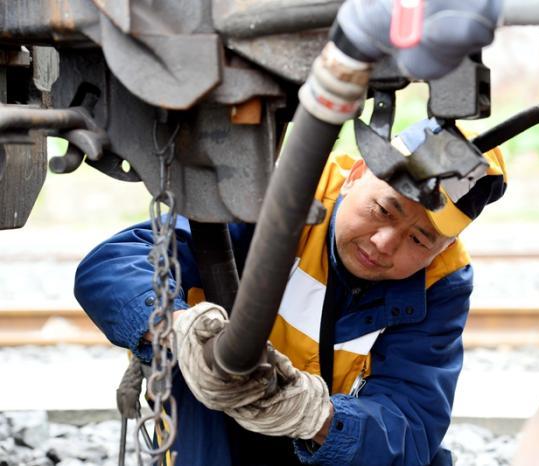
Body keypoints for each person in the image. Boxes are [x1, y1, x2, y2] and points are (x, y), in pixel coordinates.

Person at [74, 118, 507, 466]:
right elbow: (112, 266)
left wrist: (317, 417)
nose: (383, 243)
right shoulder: (282, 195)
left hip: (322, 447)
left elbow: (410, 426)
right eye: (383, 209)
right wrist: (177, 332)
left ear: (445, 247)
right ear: (358, 173)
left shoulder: (442, 282)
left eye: (420, 240)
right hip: (217, 421)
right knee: (198, 390)